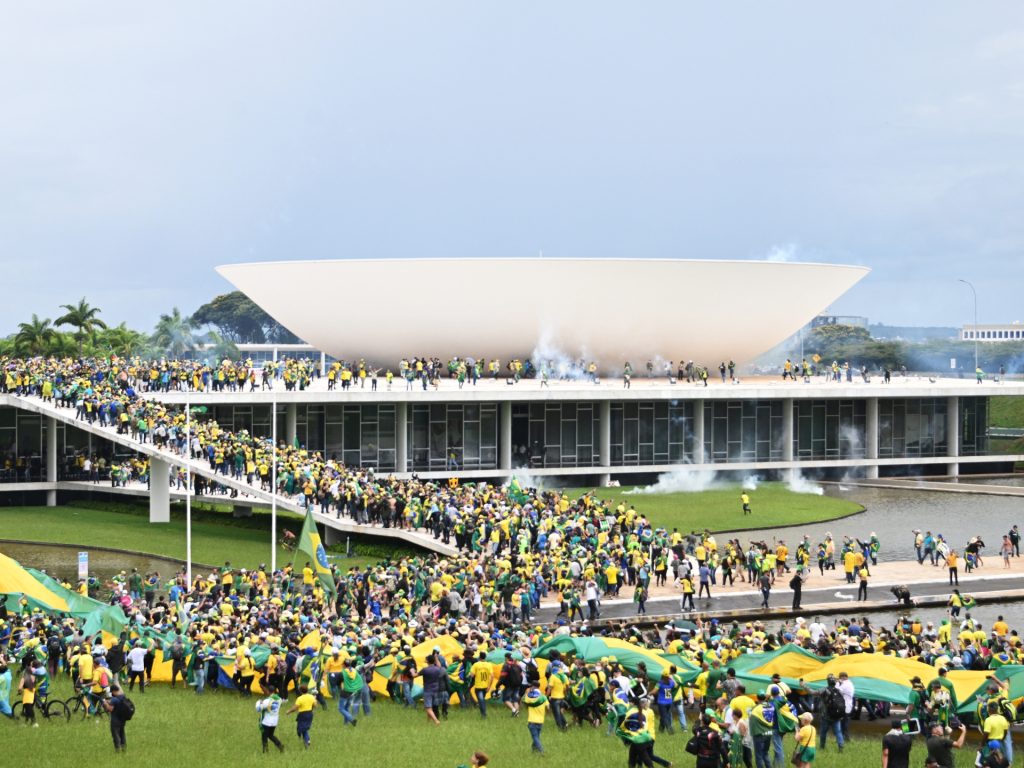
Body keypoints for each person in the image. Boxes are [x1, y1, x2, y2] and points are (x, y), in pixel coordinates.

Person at [286, 684, 317, 749]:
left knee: (301, 729)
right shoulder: (311, 697)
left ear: (300, 691)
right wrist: (312, 709)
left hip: (302, 714)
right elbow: (315, 705)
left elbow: (295, 708)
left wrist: (289, 711)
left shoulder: (300, 698)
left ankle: (307, 740)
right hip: (310, 713)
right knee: (304, 728)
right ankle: (305, 739)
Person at [103, 684, 132, 753]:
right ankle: (124, 748)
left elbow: (110, 709)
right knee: (122, 733)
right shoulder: (123, 696)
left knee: (115, 734)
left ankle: (117, 749)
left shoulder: (114, 699)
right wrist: (109, 702)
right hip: (122, 719)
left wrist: (105, 703)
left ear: (113, 691)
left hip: (115, 720)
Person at [256, 686, 285, 753]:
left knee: (264, 736)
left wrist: (259, 702)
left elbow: (258, 709)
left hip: (266, 721)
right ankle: (280, 745)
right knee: (270, 735)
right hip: (274, 721)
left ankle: (265, 751)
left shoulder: (267, 700)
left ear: (268, 691)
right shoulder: (279, 699)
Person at [522, 683, 548, 754]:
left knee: (535, 737)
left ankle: (541, 750)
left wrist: (526, 692)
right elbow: (548, 707)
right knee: (536, 737)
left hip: (532, 721)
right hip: (540, 721)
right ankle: (533, 750)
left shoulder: (529, 698)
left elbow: (523, 700)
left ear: (532, 687)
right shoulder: (543, 697)